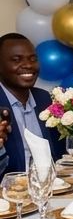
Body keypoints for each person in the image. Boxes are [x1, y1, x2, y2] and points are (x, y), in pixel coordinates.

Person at [0, 33, 67, 172]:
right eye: (16, 59)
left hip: (51, 183)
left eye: (33, 59)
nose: (28, 65)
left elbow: (59, 153)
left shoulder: (44, 99)